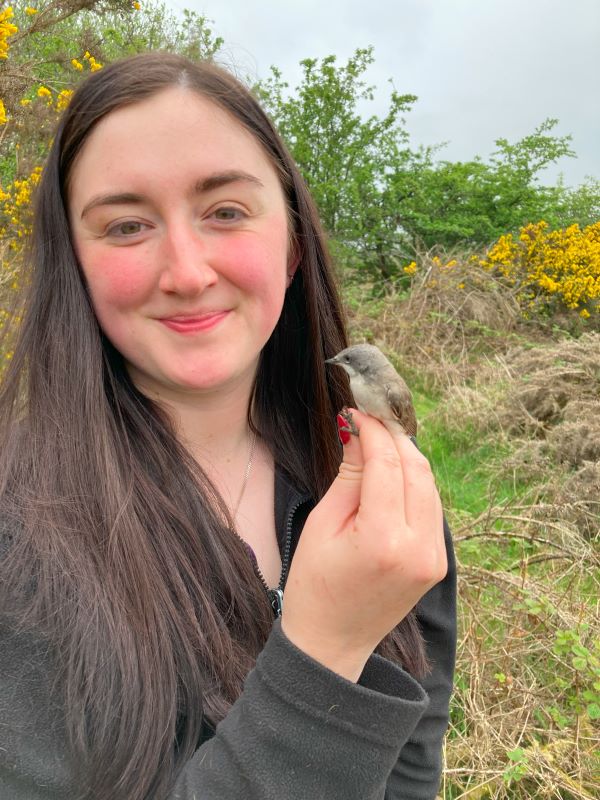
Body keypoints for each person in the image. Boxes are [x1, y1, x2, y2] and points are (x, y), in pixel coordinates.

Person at [0, 52, 456, 800]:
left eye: (227, 211)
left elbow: (411, 773)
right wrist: (322, 654)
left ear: (293, 247)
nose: (186, 271)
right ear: (73, 266)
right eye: (125, 224)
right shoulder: (16, 547)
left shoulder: (388, 509)